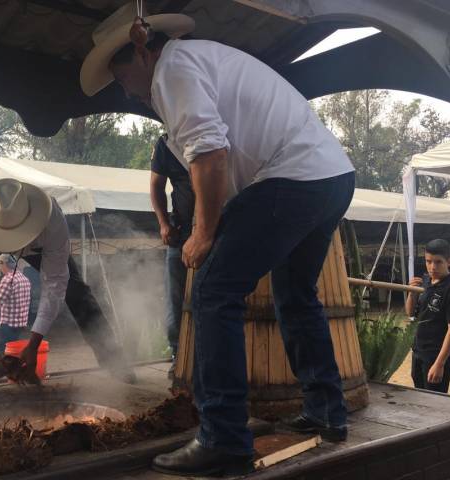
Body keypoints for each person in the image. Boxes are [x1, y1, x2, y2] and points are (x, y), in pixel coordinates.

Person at [81, 11, 355, 476]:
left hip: (293, 176)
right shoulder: (199, 61)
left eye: (123, 77)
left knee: (212, 290)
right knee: (295, 295)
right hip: (332, 177)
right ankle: (327, 412)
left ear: (142, 49)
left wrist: (204, 234)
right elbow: (216, 162)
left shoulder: (172, 69)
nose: (126, 91)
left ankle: (222, 437)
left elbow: (210, 154)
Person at [0, 178, 136, 392]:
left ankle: (114, 360)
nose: (9, 245)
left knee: (75, 289)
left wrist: (34, 344)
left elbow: (55, 285)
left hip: (37, 244)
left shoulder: (52, 221)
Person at [150, 134, 194, 378]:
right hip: (180, 233)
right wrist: (164, 224)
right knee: (175, 300)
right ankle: (179, 356)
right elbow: (156, 185)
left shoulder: (218, 132)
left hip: (219, 231)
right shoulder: (166, 143)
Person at [405, 239, 450, 393]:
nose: (433, 267)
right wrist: (412, 294)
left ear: (449, 261)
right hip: (419, 350)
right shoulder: (425, 280)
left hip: (436, 354)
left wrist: (439, 364)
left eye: (438, 262)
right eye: (428, 261)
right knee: (420, 397)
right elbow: (410, 313)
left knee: (435, 400)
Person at [0, 254, 31, 353]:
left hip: (9, 324)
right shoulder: (24, 279)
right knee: (14, 349)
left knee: (4, 350)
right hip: (20, 323)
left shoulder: (8, 280)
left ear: (4, 264)